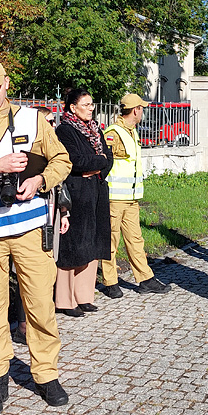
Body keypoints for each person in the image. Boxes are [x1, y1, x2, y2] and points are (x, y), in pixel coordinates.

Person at [0, 57, 73, 415]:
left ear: (8, 83)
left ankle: (46, 374)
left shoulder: (32, 119)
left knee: (41, 304)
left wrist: (39, 180)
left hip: (29, 229)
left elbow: (62, 161)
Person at [99, 93, 171, 297]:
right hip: (114, 197)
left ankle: (145, 279)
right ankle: (110, 281)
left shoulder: (132, 132)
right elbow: (105, 163)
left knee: (136, 240)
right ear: (135, 110)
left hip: (131, 197)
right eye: (142, 108)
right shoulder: (113, 133)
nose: (143, 111)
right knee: (110, 241)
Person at [54, 88, 113, 316]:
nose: (91, 109)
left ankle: (84, 296)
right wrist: (98, 162)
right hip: (76, 192)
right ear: (72, 107)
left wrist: (96, 165)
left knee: (92, 243)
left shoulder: (96, 129)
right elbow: (75, 161)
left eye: (92, 105)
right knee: (72, 246)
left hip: (95, 190)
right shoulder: (65, 130)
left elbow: (109, 159)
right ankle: (65, 300)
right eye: (86, 105)